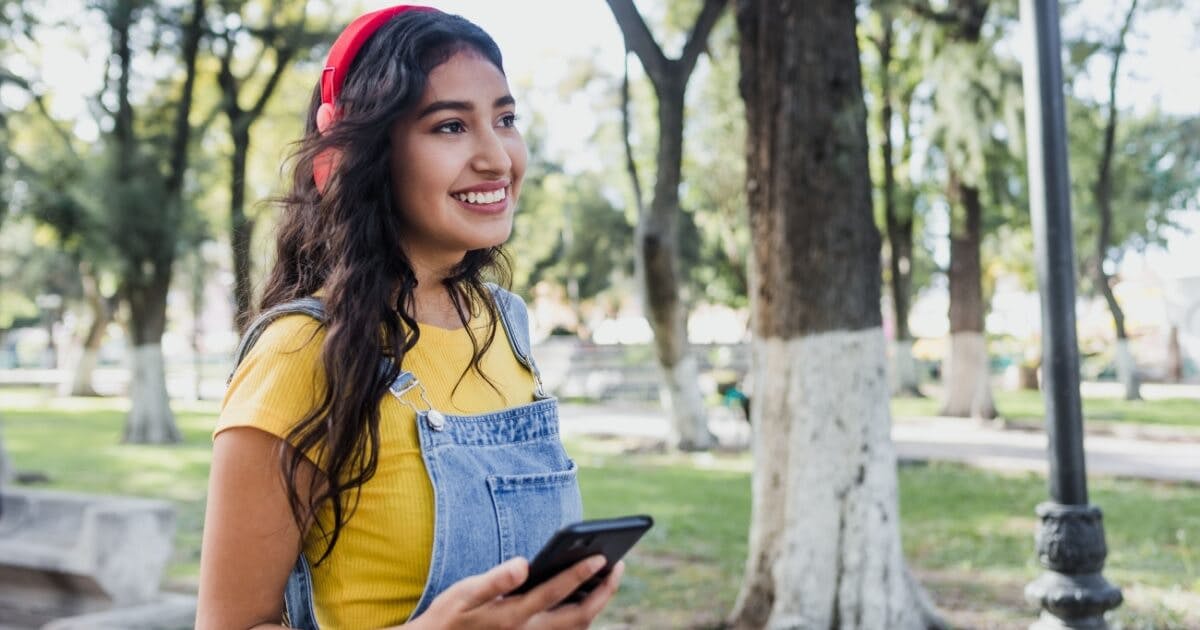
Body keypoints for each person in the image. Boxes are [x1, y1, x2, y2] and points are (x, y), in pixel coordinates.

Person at [195, 6, 623, 629]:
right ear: (365, 155)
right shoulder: (300, 354)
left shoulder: (506, 324)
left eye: (505, 119)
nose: (497, 158)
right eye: (450, 126)